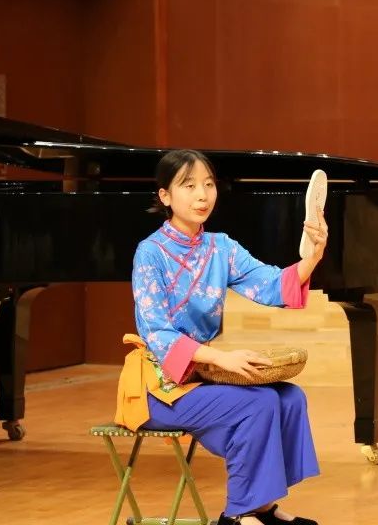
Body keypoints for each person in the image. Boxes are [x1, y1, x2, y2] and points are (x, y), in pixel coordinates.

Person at [115, 149, 327, 525]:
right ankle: (238, 514)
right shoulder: (150, 253)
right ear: (165, 196)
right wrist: (221, 358)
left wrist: (313, 256)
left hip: (200, 378)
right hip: (158, 389)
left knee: (289, 397)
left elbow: (270, 284)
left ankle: (262, 505)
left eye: (209, 184)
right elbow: (157, 332)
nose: (202, 195)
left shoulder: (221, 247)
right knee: (258, 404)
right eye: (189, 185)